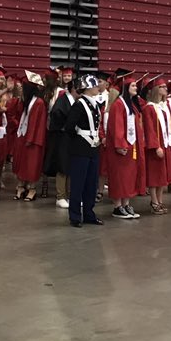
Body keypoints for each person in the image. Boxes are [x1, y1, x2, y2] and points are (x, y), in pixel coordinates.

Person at [63, 74, 104, 228]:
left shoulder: (95, 105)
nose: (97, 88)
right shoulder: (79, 105)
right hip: (80, 148)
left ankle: (89, 213)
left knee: (91, 184)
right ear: (87, 88)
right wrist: (80, 139)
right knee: (78, 184)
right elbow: (69, 127)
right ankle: (75, 216)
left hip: (93, 148)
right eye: (95, 86)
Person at [106, 76, 145, 219]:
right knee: (119, 177)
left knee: (129, 177)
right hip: (121, 148)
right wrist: (120, 144)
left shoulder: (131, 105)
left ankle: (126, 204)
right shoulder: (118, 105)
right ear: (125, 88)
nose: (136, 88)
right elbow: (117, 126)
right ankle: (117, 207)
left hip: (132, 147)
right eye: (133, 85)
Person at [142, 77, 171, 215]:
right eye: (162, 87)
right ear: (156, 89)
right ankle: (154, 201)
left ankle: (160, 200)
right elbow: (149, 129)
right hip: (156, 146)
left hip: (166, 144)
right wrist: (156, 146)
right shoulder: (148, 108)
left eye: (165, 87)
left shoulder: (164, 107)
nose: (165, 89)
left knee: (163, 175)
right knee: (155, 175)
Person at [12, 71, 47, 202]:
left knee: (31, 165)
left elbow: (39, 124)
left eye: (23, 87)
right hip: (23, 135)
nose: (21, 89)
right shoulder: (26, 102)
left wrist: (31, 139)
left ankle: (32, 189)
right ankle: (21, 186)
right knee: (21, 163)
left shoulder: (39, 103)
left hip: (33, 139)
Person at [45, 75, 75, 209]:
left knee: (69, 167)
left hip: (70, 138)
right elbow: (56, 117)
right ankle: (61, 196)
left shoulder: (73, 101)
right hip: (61, 138)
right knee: (62, 166)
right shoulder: (62, 101)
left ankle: (68, 195)